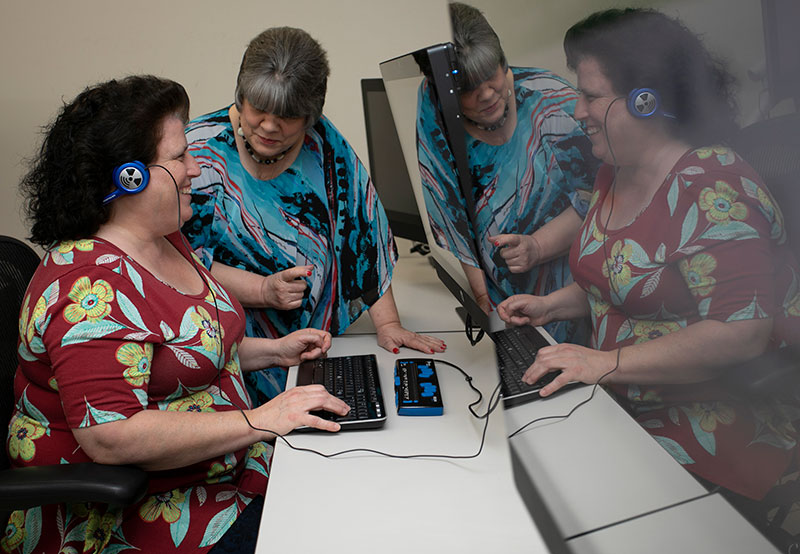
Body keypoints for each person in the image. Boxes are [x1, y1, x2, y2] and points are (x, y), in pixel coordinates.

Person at [3, 75, 350, 554]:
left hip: (225, 477)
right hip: (143, 517)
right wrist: (262, 420)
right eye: (180, 157)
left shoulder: (165, 240)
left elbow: (184, 351)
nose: (195, 169)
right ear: (129, 177)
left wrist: (272, 352)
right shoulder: (88, 288)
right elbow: (112, 435)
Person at [498, 8, 800, 507]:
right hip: (625, 403)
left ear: (645, 101)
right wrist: (551, 306)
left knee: (562, 499)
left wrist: (604, 362)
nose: (578, 111)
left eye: (591, 95)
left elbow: (741, 331)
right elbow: (622, 281)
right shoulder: (615, 172)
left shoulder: (712, 182)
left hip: (713, 421)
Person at [182, 27, 445, 406]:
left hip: (307, 350)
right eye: (258, 108)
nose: (270, 126)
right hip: (225, 353)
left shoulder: (324, 145)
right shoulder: (198, 154)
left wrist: (388, 325)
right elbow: (178, 263)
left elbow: (363, 231)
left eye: (288, 115)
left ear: (311, 114)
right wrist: (263, 290)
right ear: (241, 95)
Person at [416, 2, 600, 344]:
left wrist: (537, 246)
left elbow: (605, 203)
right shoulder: (433, 113)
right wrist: (488, 317)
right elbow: (453, 222)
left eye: (492, 75)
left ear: (504, 62)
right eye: (468, 88)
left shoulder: (555, 104)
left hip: (576, 297)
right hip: (504, 311)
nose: (486, 94)